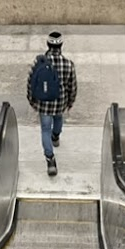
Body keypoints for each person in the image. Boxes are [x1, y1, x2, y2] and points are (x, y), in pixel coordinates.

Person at [27, 31, 77, 176]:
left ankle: (50, 160)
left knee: (45, 130)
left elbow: (31, 82)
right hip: (60, 102)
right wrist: (70, 102)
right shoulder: (68, 64)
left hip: (43, 103)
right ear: (61, 45)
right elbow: (72, 86)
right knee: (58, 118)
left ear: (48, 44)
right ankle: (56, 137)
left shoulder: (39, 63)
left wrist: (32, 100)